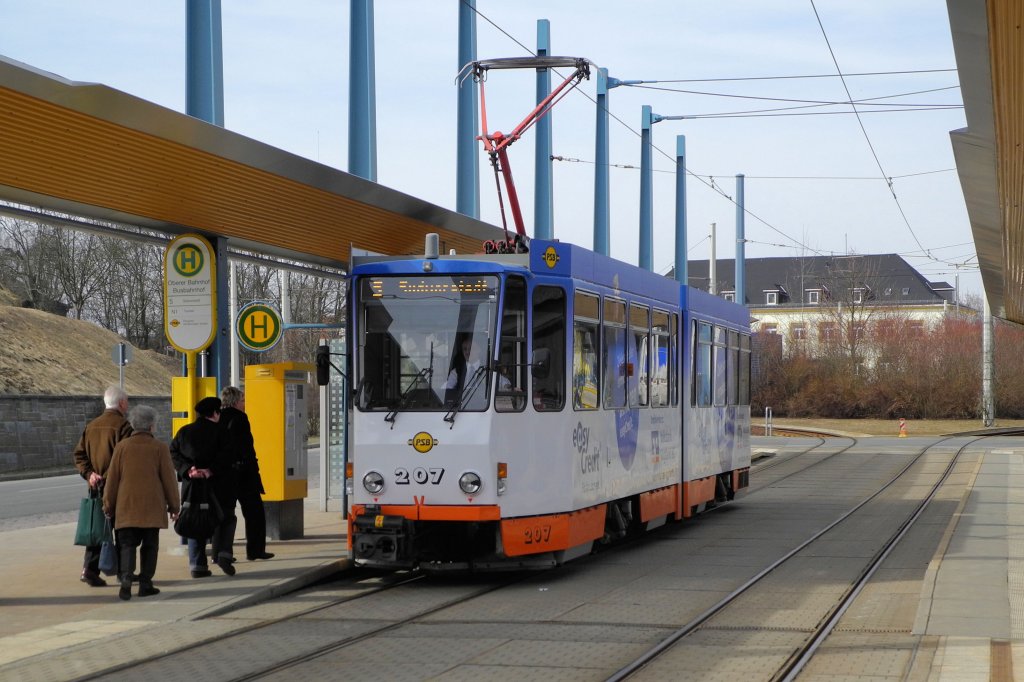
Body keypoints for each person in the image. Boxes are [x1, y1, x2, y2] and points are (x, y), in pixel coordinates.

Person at [102, 405, 180, 600]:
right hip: (152, 507)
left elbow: (112, 480)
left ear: (132, 424)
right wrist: (174, 507)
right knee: (150, 546)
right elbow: (169, 480)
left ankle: (126, 580)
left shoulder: (121, 447)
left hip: (126, 506)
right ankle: (145, 583)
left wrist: (108, 505)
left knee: (127, 545)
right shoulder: (160, 448)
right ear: (152, 426)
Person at [170, 396, 238, 578]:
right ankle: (224, 553)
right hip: (219, 486)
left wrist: (188, 470)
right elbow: (228, 455)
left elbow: (173, 452)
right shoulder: (222, 432)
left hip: (193, 487)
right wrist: (211, 470)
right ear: (215, 413)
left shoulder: (184, 432)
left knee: (194, 521)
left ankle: (198, 565)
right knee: (226, 517)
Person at [72, 385, 132, 587]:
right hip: (118, 488)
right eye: (127, 402)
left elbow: (79, 455)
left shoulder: (91, 426)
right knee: (121, 530)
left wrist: (89, 474)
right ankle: (123, 572)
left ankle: (89, 569)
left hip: (95, 486)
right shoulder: (124, 427)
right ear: (122, 403)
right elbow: (125, 459)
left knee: (98, 528)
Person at [219, 386, 274, 561]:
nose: (244, 403)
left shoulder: (217, 417)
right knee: (254, 512)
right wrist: (254, 470)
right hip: (243, 473)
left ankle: (222, 552)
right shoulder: (240, 418)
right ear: (235, 402)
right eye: (242, 400)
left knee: (226, 514)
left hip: (224, 474)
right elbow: (246, 447)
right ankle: (255, 550)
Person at [444, 334, 483, 406]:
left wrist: (506, 385)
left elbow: (503, 382)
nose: (467, 352)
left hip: (483, 406)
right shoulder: (457, 371)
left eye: (471, 348)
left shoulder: (486, 368)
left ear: (479, 349)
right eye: (465, 349)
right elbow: (446, 388)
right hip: (462, 407)